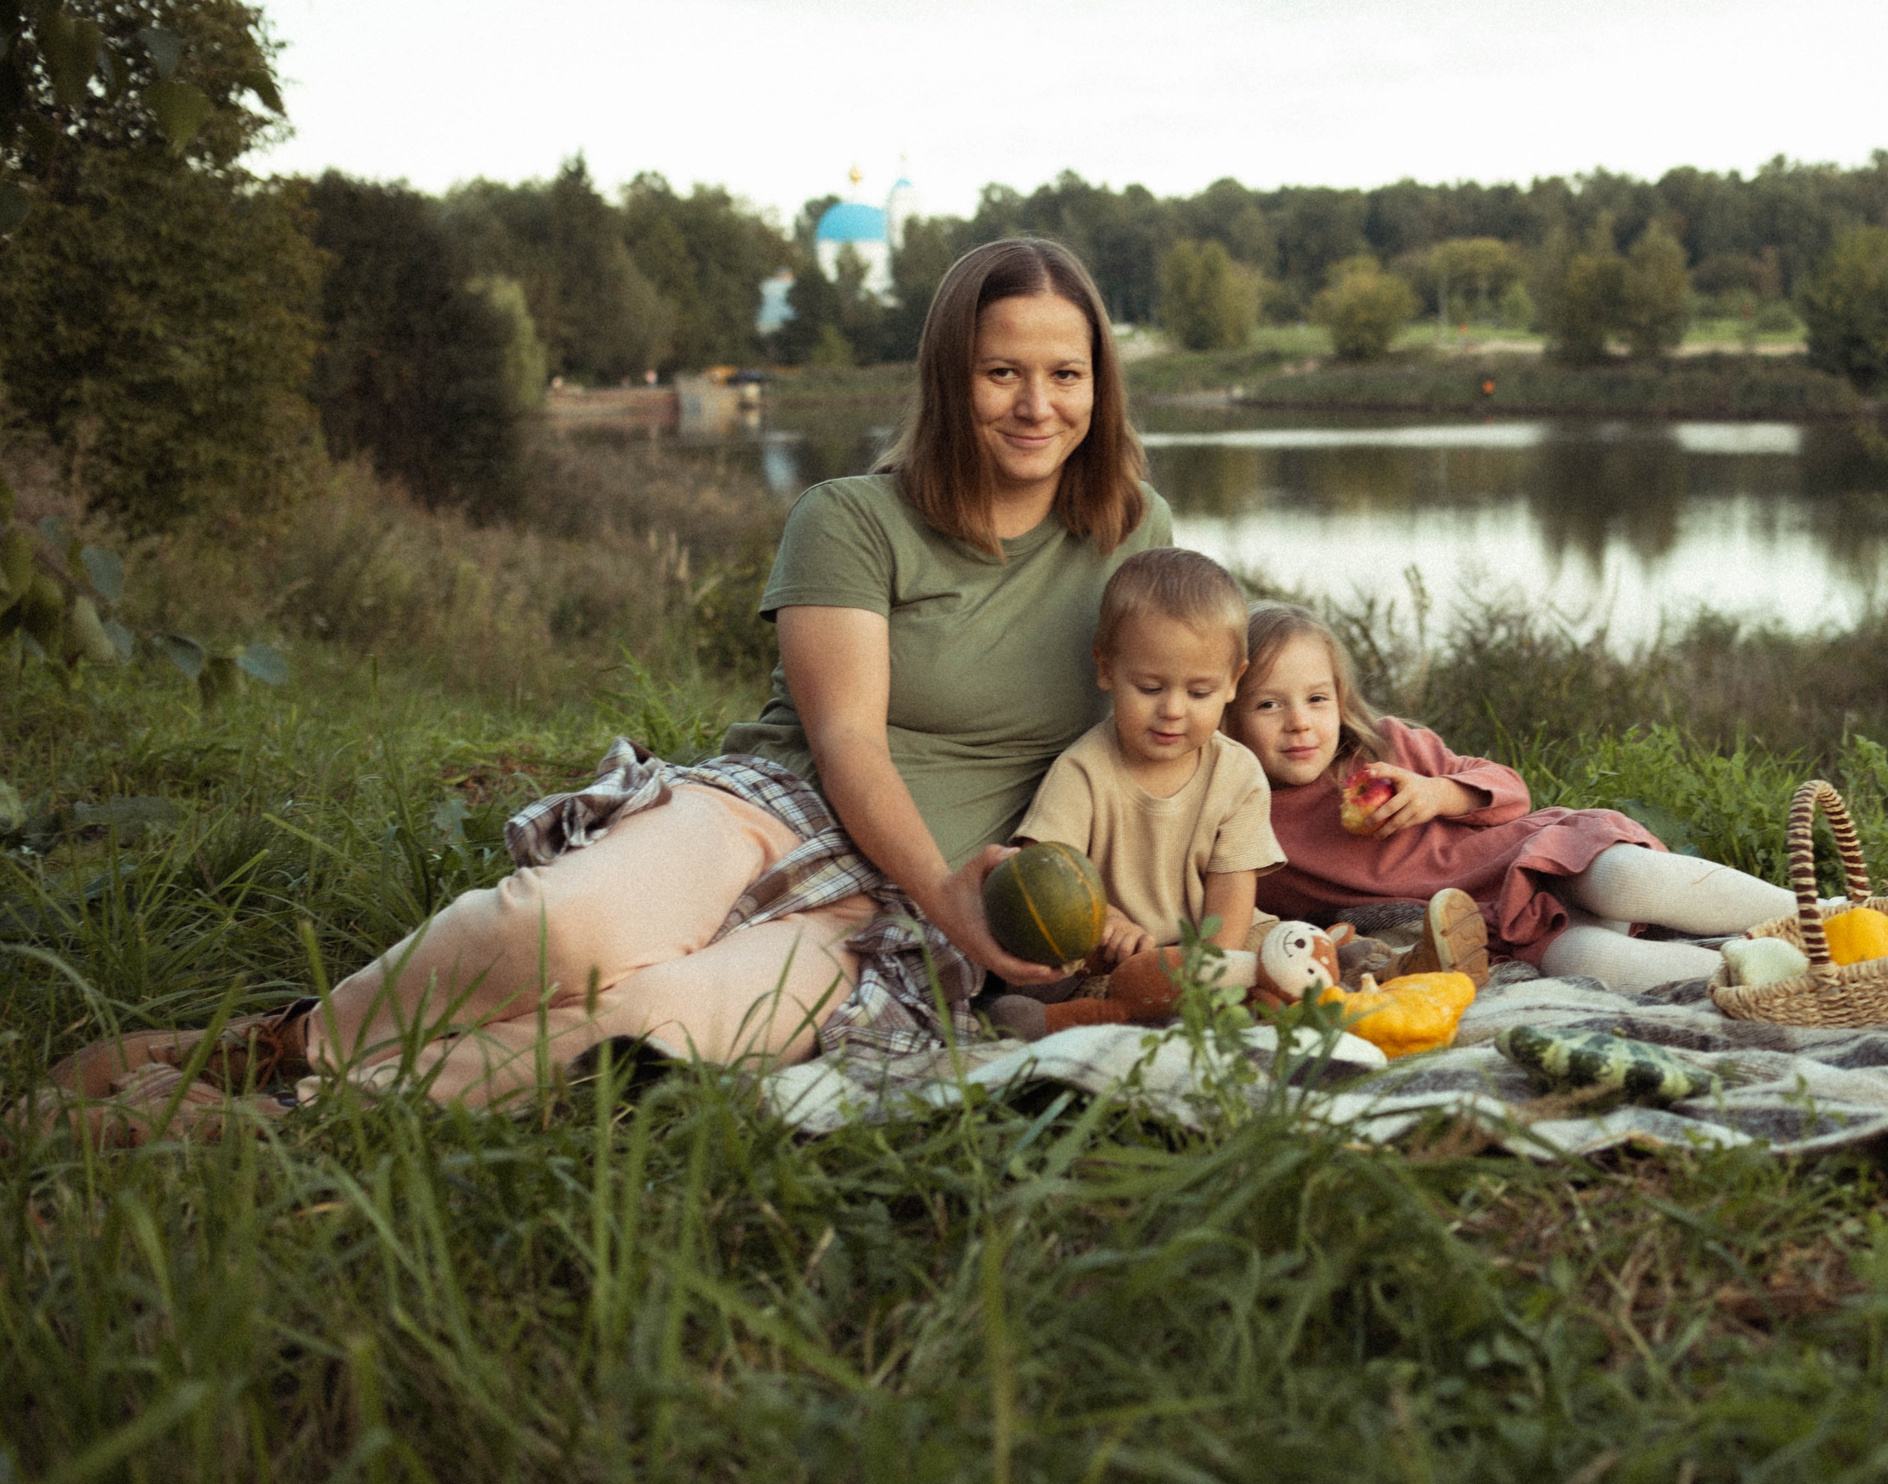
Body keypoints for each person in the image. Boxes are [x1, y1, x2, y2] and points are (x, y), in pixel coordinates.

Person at [46, 236, 1172, 1133]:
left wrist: (1345, 721)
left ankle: (294, 1115)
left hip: (902, 920)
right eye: (1002, 371)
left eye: (1065, 373)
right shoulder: (853, 516)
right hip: (782, 810)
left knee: (661, 1019)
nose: (1037, 404)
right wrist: (951, 896)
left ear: (1098, 382)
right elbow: (849, 744)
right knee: (565, 930)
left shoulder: (1132, 533)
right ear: (949, 375)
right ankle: (290, 1039)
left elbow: (1200, 669)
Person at [1225, 602, 1797, 993]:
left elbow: (1511, 793)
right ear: (1228, 716)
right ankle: (1786, 979)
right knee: (1589, 963)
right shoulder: (1240, 820)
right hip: (1494, 930)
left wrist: (1440, 793)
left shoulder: (1387, 749)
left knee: (1627, 878)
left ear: (1340, 699)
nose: (1300, 724)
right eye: (1269, 705)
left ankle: (1821, 918)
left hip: (1534, 857)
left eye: (1317, 699)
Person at [985, 548, 1285, 1040]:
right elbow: (1043, 867)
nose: (1172, 710)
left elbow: (1232, 886)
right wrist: (1106, 920)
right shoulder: (1084, 769)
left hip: (1213, 937)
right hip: (1124, 953)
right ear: (1106, 670)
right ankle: (1065, 1019)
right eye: (1149, 688)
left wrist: (1213, 966)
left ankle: (1332, 963)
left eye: (1199, 693)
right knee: (1075, 979)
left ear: (1234, 682)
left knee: (1283, 948)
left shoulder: (1237, 772)